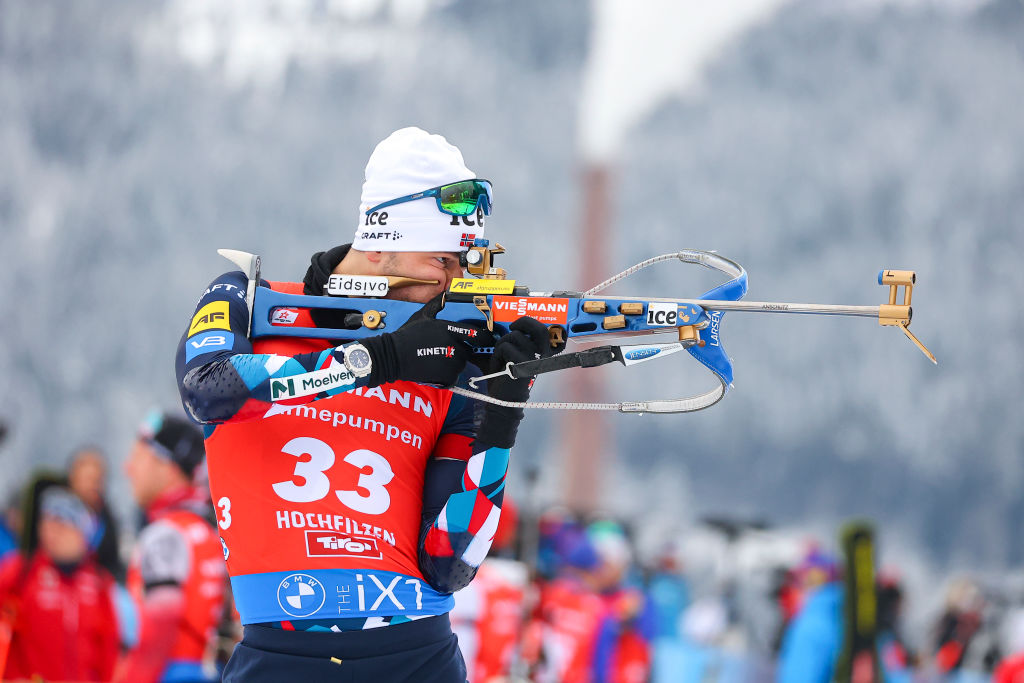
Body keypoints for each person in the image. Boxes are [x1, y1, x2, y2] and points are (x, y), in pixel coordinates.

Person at [175, 127, 560, 681]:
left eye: (463, 265)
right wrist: (378, 360)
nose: (453, 283)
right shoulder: (248, 300)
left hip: (419, 654)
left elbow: (451, 563)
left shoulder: (450, 364)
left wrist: (499, 422)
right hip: (283, 654)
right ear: (381, 242)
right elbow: (208, 388)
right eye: (441, 262)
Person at [117, 409, 228, 683]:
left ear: (166, 466)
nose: (128, 468)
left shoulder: (165, 534)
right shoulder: (212, 528)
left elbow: (160, 626)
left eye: (138, 457)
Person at [0, 486, 119, 681]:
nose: (50, 534)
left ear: (81, 533)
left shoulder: (99, 584)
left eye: (60, 526)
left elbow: (108, 651)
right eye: (45, 525)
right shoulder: (20, 572)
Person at [68, 445, 125, 580]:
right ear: (73, 479)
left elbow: (113, 565)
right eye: (88, 479)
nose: (94, 485)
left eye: (98, 480)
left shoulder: (109, 522)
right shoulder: (57, 520)